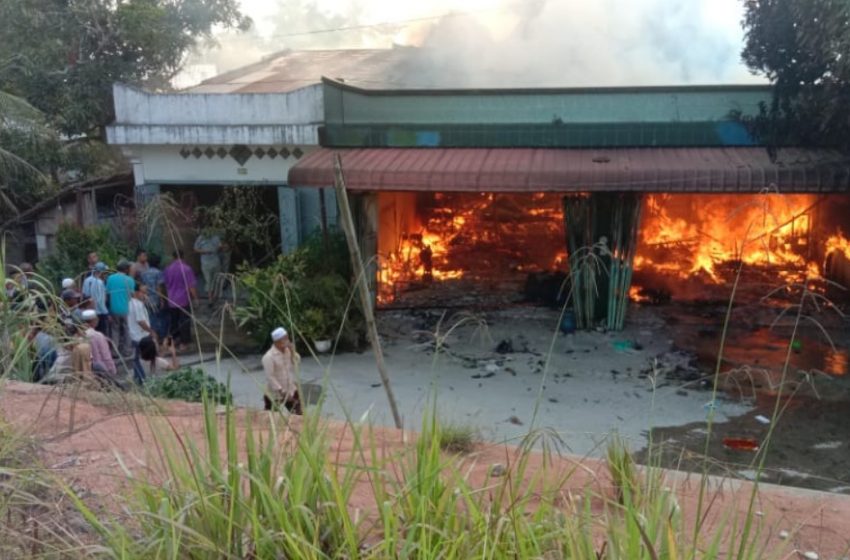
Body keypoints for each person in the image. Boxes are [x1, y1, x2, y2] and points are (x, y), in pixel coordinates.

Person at [163, 250, 198, 352]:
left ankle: (171, 343)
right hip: (183, 300)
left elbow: (166, 284)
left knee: (173, 322)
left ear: (173, 257)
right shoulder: (186, 269)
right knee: (184, 322)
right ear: (183, 256)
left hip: (171, 299)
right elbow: (191, 286)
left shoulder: (168, 269)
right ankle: (184, 343)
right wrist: (195, 298)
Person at [261, 327, 302, 414]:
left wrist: (293, 351)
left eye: (287, 338)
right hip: (275, 393)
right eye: (285, 339)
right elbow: (270, 377)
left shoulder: (288, 351)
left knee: (298, 413)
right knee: (271, 415)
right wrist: (282, 392)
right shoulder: (269, 357)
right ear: (277, 342)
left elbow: (296, 363)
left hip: (290, 389)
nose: (287, 341)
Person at [128, 282, 156, 385]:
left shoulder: (132, 303)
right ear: (136, 292)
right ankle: (142, 379)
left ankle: (138, 378)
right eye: (143, 292)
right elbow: (141, 321)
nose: (145, 295)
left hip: (135, 334)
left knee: (136, 358)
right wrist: (151, 331)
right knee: (136, 359)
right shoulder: (137, 305)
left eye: (146, 292)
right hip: (139, 336)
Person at [106, 260, 135, 357]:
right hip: (126, 309)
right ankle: (127, 351)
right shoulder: (130, 280)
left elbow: (108, 295)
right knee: (127, 329)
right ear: (126, 269)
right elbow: (131, 296)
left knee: (115, 329)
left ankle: (115, 352)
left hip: (114, 309)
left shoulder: (110, 278)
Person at [139, 253, 168, 339]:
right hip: (156, 298)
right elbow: (159, 287)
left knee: (150, 318)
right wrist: (162, 300)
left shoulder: (143, 273)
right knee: (159, 317)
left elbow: (142, 286)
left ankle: (153, 336)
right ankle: (160, 336)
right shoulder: (159, 273)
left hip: (147, 298)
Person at [81, 309, 117, 377]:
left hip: (86, 370)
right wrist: (112, 370)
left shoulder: (80, 335)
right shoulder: (97, 336)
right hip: (100, 370)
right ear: (94, 320)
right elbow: (105, 355)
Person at [194, 229, 221, 305]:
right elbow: (195, 249)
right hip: (205, 262)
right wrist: (205, 252)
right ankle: (210, 299)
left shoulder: (216, 237)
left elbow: (220, 246)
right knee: (208, 280)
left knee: (216, 279)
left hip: (215, 261)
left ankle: (216, 296)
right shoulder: (200, 238)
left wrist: (217, 249)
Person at [83, 262, 109, 336]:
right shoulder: (100, 282)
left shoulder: (87, 280)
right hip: (100, 312)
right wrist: (105, 312)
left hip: (89, 311)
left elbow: (85, 295)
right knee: (101, 333)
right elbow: (101, 300)